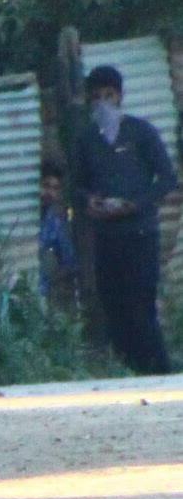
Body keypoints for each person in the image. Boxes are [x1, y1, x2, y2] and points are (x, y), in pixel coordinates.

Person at [71, 64, 178, 374]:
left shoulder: (140, 132)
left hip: (141, 233)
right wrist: (89, 201)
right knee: (114, 308)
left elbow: (168, 179)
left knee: (141, 307)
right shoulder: (87, 140)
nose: (103, 104)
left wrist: (135, 204)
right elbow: (75, 186)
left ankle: (160, 374)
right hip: (107, 237)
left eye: (109, 96)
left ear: (119, 96)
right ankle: (128, 374)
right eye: (96, 98)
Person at [38, 157, 79, 308]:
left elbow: (69, 259)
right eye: (46, 185)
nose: (50, 193)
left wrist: (50, 277)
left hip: (38, 296)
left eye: (56, 188)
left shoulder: (53, 223)